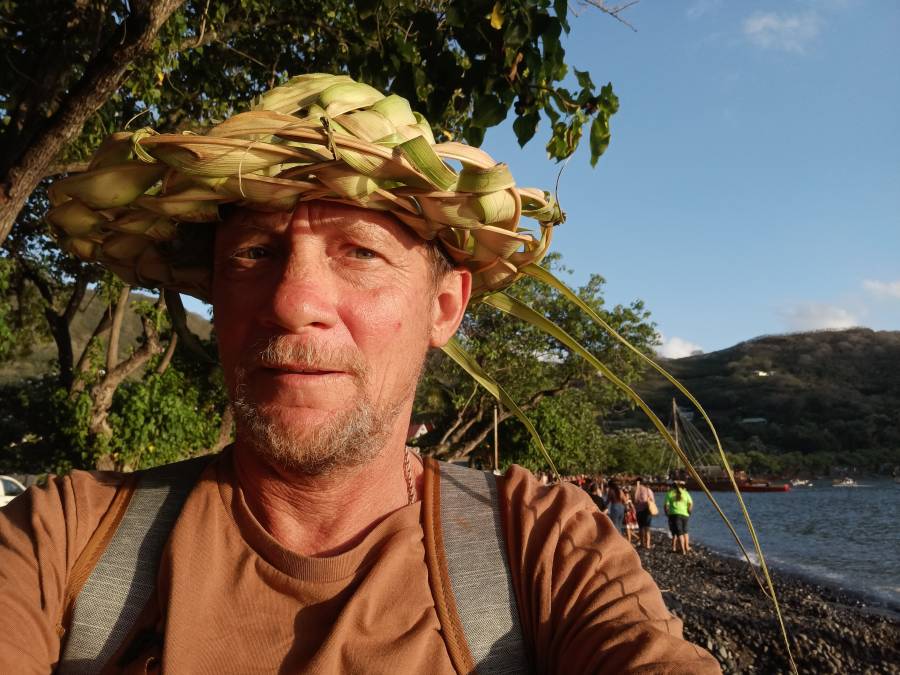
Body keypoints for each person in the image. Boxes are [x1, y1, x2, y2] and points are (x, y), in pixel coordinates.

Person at [0, 74, 719, 673]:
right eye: (254, 253)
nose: (292, 302)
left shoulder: (546, 549)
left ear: (443, 307)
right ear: (215, 295)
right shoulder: (61, 542)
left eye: (360, 253)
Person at [665, 480, 694, 554]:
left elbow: (666, 505)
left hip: (674, 514)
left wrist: (667, 513)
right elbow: (690, 503)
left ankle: (683, 550)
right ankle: (687, 547)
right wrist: (689, 511)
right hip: (685, 514)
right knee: (685, 531)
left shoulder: (670, 493)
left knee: (679, 533)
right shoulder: (685, 493)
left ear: (673, 486)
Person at [633, 476, 657, 549]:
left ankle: (642, 543)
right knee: (647, 528)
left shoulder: (634, 491)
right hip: (646, 511)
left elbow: (634, 501)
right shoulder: (647, 490)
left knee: (641, 528)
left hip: (638, 511)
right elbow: (653, 501)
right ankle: (648, 544)